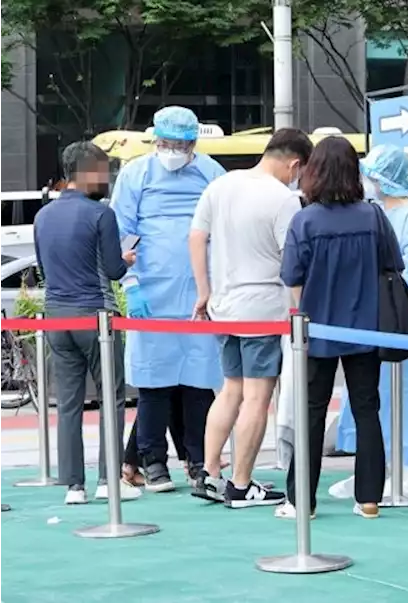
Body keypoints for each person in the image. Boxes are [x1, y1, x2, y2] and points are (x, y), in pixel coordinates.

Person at [188, 128, 313, 507]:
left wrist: (204, 291)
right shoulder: (284, 199)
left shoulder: (221, 185)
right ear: (294, 163)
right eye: (300, 171)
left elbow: (196, 237)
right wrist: (301, 310)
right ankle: (241, 485)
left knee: (230, 390)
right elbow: (291, 263)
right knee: (258, 396)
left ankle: (210, 474)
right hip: (262, 309)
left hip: (223, 306)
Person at [280, 137, 404, 519]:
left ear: (313, 172)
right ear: (355, 172)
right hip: (367, 328)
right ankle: (369, 498)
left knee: (312, 412)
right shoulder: (373, 216)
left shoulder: (305, 220)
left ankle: (303, 500)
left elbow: (292, 277)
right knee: (368, 409)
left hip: (316, 330)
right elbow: (393, 265)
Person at [112, 106, 224, 493]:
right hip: (152, 292)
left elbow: (224, 228)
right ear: (154, 140)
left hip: (199, 292)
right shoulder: (135, 174)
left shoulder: (212, 174)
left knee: (198, 384)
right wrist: (131, 284)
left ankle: (198, 460)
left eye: (178, 144)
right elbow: (122, 230)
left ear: (194, 142)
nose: (172, 150)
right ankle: (153, 461)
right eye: (165, 143)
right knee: (153, 383)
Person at [332, 144, 408, 490]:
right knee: (369, 393)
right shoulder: (374, 212)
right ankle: (371, 464)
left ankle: (407, 470)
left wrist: (384, 287)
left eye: (371, 175)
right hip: (373, 317)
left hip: (400, 318)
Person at [35, 141, 140, 505]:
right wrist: (127, 259)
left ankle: (73, 486)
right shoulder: (101, 215)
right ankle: (107, 481)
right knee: (111, 398)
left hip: (55, 316)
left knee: (68, 403)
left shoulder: (42, 216)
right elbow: (112, 269)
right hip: (96, 315)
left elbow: (44, 270)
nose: (106, 178)